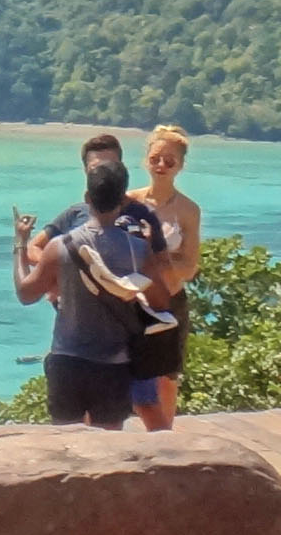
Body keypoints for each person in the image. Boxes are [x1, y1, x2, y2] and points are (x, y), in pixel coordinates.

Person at [15, 147, 157, 431]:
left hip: (68, 360)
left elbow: (26, 293)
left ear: (87, 198)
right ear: (123, 199)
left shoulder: (60, 247)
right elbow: (160, 300)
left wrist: (20, 244)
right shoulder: (139, 249)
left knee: (65, 443)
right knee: (109, 445)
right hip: (114, 364)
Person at [132, 125, 202, 430]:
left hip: (170, 301)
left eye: (169, 161)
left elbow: (190, 264)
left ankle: (164, 437)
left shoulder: (188, 210)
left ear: (180, 166)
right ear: (146, 161)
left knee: (166, 378)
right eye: (155, 159)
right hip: (132, 299)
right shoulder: (129, 202)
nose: (161, 166)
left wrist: (158, 259)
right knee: (123, 370)